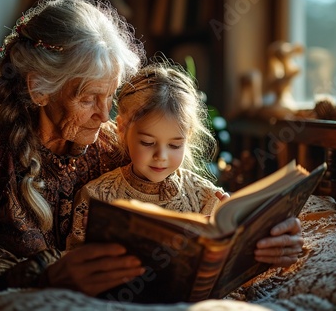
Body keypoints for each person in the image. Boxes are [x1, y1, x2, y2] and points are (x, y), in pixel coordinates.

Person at [0, 0, 302, 310]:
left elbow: (191, 207)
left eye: (110, 97)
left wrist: (259, 238)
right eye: (90, 98)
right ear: (40, 88)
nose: (104, 116)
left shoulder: (115, 144)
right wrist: (47, 274)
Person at [67, 59, 229, 249]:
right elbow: (76, 262)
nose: (161, 156)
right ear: (122, 128)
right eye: (148, 143)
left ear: (188, 136)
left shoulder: (206, 198)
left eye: (175, 145)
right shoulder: (97, 197)